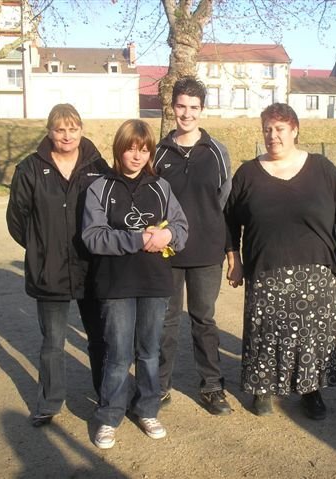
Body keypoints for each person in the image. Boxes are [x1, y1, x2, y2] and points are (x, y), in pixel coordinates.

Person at [224, 103, 336, 420]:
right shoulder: (247, 174)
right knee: (265, 334)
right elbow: (228, 221)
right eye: (267, 129)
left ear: (295, 130)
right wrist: (234, 260)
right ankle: (262, 389)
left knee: (310, 335)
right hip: (265, 269)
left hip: (316, 270)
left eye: (279, 129)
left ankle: (311, 391)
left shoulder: (323, 169)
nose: (273, 136)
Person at [82, 119, 188, 449]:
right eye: (131, 149)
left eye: (144, 150)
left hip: (155, 283)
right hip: (116, 285)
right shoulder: (100, 187)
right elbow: (93, 237)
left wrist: (168, 234)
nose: (137, 156)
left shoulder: (161, 187)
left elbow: (182, 229)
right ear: (119, 149)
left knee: (150, 352)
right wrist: (138, 238)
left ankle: (146, 409)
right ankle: (109, 415)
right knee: (117, 354)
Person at [6, 104, 110, 427]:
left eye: (73, 128)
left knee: (99, 337)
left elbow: (111, 207)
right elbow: (16, 219)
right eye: (60, 129)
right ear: (49, 131)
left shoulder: (97, 165)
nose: (67, 136)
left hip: (91, 267)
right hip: (49, 270)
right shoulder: (30, 169)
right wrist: (41, 248)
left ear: (81, 129)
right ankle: (50, 402)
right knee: (53, 342)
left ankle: (106, 395)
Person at [154, 77, 233, 415]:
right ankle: (158, 386)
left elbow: (225, 205)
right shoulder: (157, 152)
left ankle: (212, 386)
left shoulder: (217, 152)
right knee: (165, 322)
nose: (186, 113)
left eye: (193, 107)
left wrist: (231, 253)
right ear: (172, 107)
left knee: (204, 320)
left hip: (206, 253)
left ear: (202, 110)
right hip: (167, 254)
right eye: (181, 106)